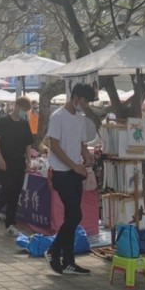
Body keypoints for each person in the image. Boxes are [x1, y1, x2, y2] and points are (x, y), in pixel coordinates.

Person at [44, 83, 97, 276]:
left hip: (76, 171)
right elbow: (54, 146)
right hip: (61, 171)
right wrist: (73, 165)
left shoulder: (81, 119)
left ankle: (68, 261)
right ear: (75, 98)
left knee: (71, 217)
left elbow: (81, 142)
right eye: (85, 101)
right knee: (75, 215)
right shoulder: (58, 116)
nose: (86, 105)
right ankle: (53, 250)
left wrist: (86, 156)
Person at [0, 96, 34, 236]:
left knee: (15, 192)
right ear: (17, 106)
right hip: (4, 161)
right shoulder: (2, 122)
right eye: (23, 109)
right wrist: (0, 158)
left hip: (18, 162)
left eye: (27, 111)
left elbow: (28, 144)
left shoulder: (24, 124)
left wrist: (29, 160)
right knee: (7, 188)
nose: (24, 112)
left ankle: (10, 224)